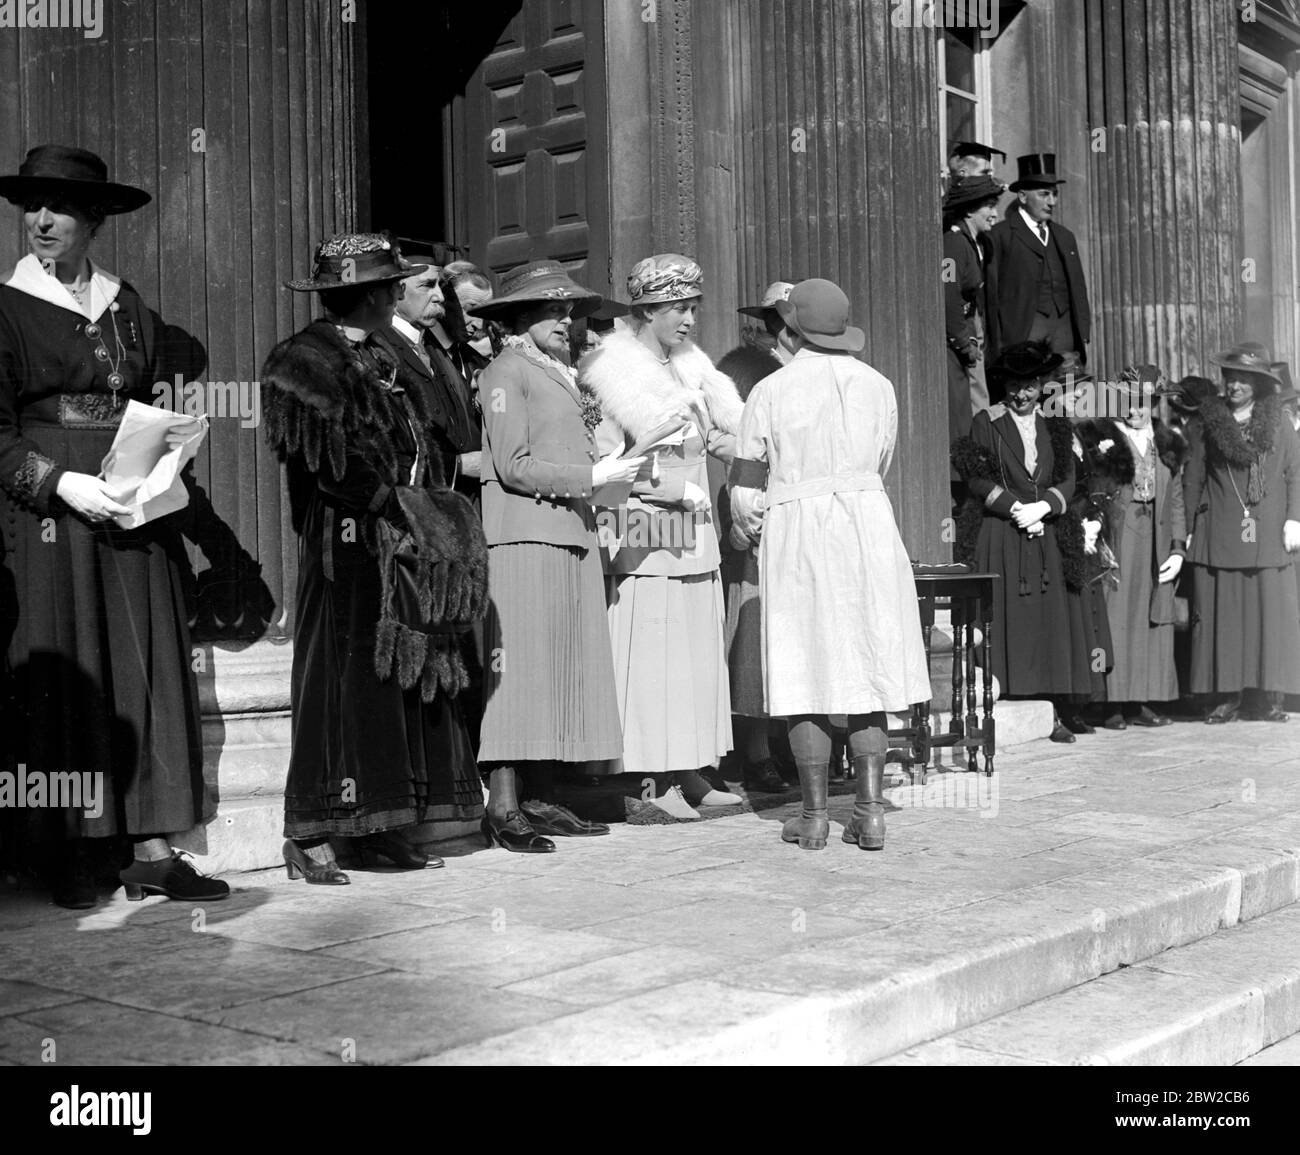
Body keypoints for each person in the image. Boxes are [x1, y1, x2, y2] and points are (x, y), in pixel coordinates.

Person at [0, 144, 227, 907]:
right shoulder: (4, 307)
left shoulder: (126, 304)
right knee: (72, 667)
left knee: (144, 664)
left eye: (60, 207)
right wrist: (59, 481)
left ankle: (151, 842)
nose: (41, 220)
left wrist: (171, 432)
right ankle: (69, 849)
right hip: (51, 521)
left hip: (132, 506)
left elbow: (161, 377)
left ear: (94, 220)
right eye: (33, 206)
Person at [262, 233, 487, 884]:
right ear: (362, 293)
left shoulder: (382, 355)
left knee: (387, 688)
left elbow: (420, 442)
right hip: (346, 546)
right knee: (335, 684)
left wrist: (431, 497)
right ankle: (310, 830)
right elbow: (329, 464)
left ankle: (377, 823)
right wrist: (396, 504)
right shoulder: (302, 361)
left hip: (396, 544)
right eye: (389, 285)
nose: (399, 292)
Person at [729, 279, 929, 852]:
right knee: (867, 662)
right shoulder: (880, 386)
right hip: (867, 527)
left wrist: (758, 525)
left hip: (798, 528)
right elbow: (882, 461)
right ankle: (869, 814)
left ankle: (813, 817)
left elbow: (745, 484)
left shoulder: (770, 390)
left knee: (804, 667)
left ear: (791, 330)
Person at [470, 261, 642, 849]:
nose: (565, 320)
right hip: (523, 535)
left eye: (568, 310)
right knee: (519, 671)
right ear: (520, 318)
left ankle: (542, 797)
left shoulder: (558, 372)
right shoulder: (504, 371)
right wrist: (590, 474)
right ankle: (503, 805)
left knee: (561, 668)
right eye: (551, 310)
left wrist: (608, 480)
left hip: (570, 531)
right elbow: (511, 464)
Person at [580, 253, 744, 819]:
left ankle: (690, 768)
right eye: (678, 307)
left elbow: (706, 439)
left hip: (693, 530)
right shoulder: (610, 373)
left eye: (693, 306)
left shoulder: (690, 368)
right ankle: (646, 781)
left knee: (694, 655)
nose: (689, 319)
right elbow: (606, 458)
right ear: (646, 310)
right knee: (652, 657)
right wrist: (668, 487)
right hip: (643, 529)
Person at [951, 340, 1097, 743]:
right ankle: (1007, 699)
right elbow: (976, 475)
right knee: (1010, 617)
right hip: (1002, 532)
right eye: (1014, 386)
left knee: (1048, 619)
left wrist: (1046, 508)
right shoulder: (987, 421)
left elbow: (1068, 477)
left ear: (1040, 385)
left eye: (1029, 386)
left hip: (1047, 532)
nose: (1021, 395)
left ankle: (1053, 710)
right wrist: (1015, 508)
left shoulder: (1057, 424)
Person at [1183, 343, 1300, 722]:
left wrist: (1294, 519)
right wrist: (1187, 529)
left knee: (1270, 617)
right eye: (1230, 377)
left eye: (1243, 379)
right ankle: (1226, 695)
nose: (1233, 385)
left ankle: (1266, 697)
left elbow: (1295, 473)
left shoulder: (1279, 422)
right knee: (1225, 618)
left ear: (1259, 383)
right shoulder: (1205, 422)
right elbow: (1193, 479)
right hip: (1220, 530)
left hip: (1268, 532)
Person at [715, 283, 795, 796]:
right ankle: (754, 749)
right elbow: (722, 437)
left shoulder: (816, 373)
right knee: (752, 627)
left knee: (789, 630)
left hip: (798, 514)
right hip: (753, 508)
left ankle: (793, 740)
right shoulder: (743, 371)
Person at [1101, 367, 1188, 728]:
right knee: (1118, 615)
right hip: (1121, 534)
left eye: (1142, 404)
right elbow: (1094, 492)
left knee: (1151, 617)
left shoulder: (1167, 442)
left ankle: (1142, 700)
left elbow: (1178, 499)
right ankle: (1112, 703)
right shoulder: (1104, 438)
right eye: (1128, 403)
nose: (1134, 411)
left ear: (1153, 404)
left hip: (1156, 532)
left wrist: (1178, 549)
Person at [986, 154, 1091, 374]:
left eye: (1054, 194)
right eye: (1044, 194)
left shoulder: (1064, 237)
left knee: (1068, 402)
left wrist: (1083, 329)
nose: (1052, 202)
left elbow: (1078, 289)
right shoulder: (1000, 236)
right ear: (1023, 197)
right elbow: (990, 296)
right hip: (1022, 340)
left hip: (1066, 342)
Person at [942, 174, 1003, 442]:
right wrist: (963, 342)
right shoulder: (954, 244)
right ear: (969, 210)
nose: (994, 213)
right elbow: (948, 292)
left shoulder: (974, 243)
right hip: (959, 337)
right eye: (989, 206)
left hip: (971, 329)